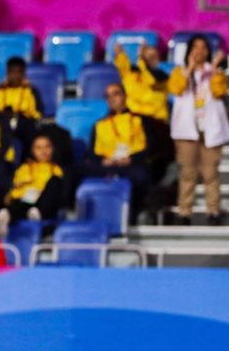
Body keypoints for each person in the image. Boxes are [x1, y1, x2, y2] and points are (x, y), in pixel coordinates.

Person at [168, 35, 229, 225]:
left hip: (210, 129)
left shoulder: (215, 73)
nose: (199, 51)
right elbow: (176, 89)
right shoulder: (179, 72)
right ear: (189, 51)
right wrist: (189, 69)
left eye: (203, 48)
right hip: (187, 130)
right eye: (195, 47)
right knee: (188, 173)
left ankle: (214, 211)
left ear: (208, 52)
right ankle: (184, 212)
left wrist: (216, 69)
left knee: (211, 173)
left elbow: (219, 92)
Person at [84, 82, 150, 223]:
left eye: (116, 94)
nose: (112, 99)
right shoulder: (99, 125)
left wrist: (131, 159)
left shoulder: (140, 121)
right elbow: (91, 153)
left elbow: (149, 148)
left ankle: (134, 215)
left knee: (141, 175)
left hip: (131, 165)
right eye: (108, 96)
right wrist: (103, 160)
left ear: (125, 96)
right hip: (107, 165)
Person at [113, 43, 173, 185]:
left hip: (156, 126)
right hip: (134, 125)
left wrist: (142, 61)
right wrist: (120, 54)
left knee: (155, 164)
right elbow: (123, 66)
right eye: (148, 56)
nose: (150, 59)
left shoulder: (162, 77)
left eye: (153, 56)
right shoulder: (131, 75)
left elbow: (151, 79)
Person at [0, 134, 63, 237]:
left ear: (52, 149)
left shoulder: (56, 169)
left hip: (43, 204)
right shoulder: (24, 168)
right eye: (38, 148)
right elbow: (16, 188)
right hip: (26, 201)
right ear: (32, 150)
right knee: (21, 202)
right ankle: (6, 216)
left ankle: (37, 213)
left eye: (47, 147)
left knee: (54, 183)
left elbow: (56, 194)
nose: (43, 151)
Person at [0, 56, 40, 147]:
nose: (15, 76)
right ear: (7, 73)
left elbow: (38, 113)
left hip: (23, 124)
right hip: (2, 123)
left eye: (19, 72)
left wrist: (20, 114)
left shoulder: (31, 91)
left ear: (24, 74)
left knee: (29, 128)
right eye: (12, 72)